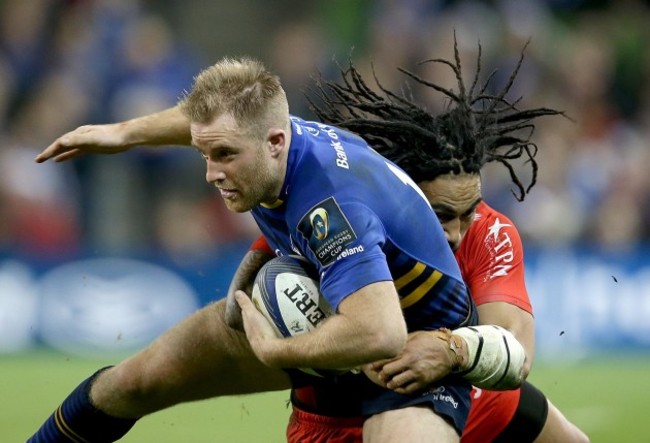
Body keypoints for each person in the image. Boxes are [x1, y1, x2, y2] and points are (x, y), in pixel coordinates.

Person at [29, 56, 497, 443]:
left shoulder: (331, 208)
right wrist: (123, 135)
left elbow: (382, 333)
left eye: (226, 156)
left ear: (275, 142)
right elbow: (201, 122)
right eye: (204, 155)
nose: (211, 173)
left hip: (415, 357)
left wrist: (277, 351)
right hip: (324, 308)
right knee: (132, 382)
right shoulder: (271, 133)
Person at [273, 41, 589, 442]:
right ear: (401, 194)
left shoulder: (490, 232)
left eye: (468, 211)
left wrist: (451, 348)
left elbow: (516, 349)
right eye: (441, 215)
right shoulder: (337, 215)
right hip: (336, 419)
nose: (457, 232)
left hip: (454, 390)